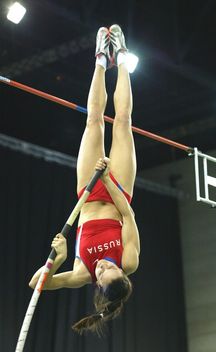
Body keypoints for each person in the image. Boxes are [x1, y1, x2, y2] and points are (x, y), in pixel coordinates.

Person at [29, 24, 140, 336]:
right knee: (122, 122)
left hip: (88, 195)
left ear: (97, 285)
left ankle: (101, 61)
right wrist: (108, 179)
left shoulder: (81, 272)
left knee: (93, 121)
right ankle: (121, 57)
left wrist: (57, 259)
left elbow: (38, 284)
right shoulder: (128, 261)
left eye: (101, 272)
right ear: (122, 272)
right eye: (110, 267)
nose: (103, 266)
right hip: (120, 190)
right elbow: (128, 216)